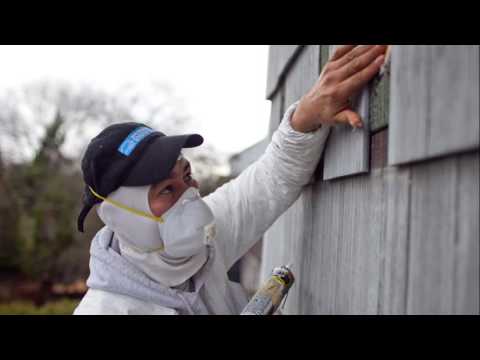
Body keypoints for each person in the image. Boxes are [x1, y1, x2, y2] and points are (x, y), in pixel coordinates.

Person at [73, 45, 388, 315]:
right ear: (122, 217)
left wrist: (304, 117)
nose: (190, 197)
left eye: (187, 175)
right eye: (167, 189)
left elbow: (268, 182)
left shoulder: (195, 247)